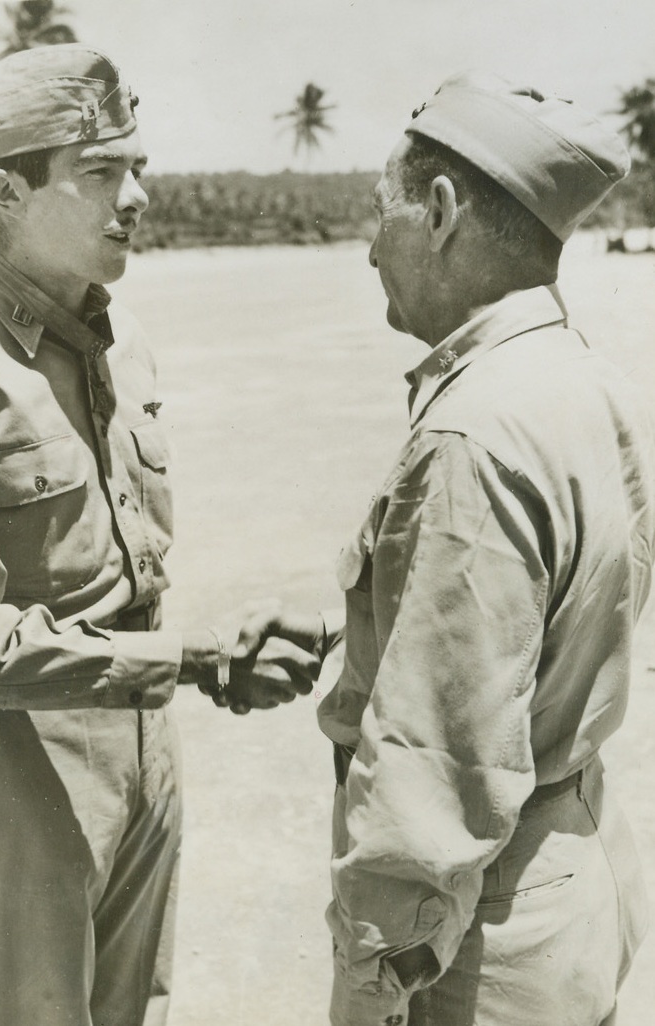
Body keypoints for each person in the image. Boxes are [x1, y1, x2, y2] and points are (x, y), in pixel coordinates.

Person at [0, 45, 318, 1026]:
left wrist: (192, 662)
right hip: (14, 758)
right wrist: (196, 659)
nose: (136, 194)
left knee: (136, 1009)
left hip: (142, 732)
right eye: (100, 173)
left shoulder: (118, 339)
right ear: (7, 192)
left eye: (136, 166)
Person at [251, 73, 655, 1026]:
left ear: (437, 213)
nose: (366, 247)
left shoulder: (470, 434)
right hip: (571, 874)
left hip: (475, 942)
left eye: (378, 214)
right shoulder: (582, 380)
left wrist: (373, 979)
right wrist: (361, 632)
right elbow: (541, 622)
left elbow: (436, 771)